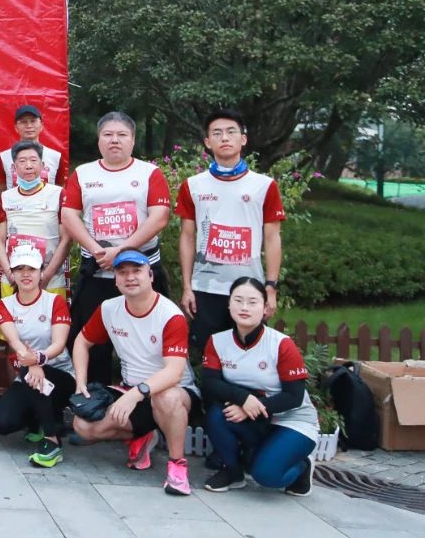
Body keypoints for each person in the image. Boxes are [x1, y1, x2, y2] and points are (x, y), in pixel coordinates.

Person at [71, 250, 201, 496]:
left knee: (166, 398)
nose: (130, 277)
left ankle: (177, 465)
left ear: (151, 276)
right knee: (83, 425)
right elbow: (81, 342)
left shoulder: (170, 315)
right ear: (116, 280)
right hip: (130, 388)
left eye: (137, 271)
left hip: (174, 391)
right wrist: (81, 382)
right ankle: (142, 434)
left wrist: (137, 393)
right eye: (123, 272)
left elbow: (174, 373)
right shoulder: (109, 308)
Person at [62, 111, 172, 386]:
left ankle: (147, 398)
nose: (115, 140)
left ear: (133, 140)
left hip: (142, 271)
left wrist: (121, 251)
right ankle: (94, 397)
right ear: (99, 140)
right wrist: (97, 250)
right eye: (108, 135)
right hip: (97, 271)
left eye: (122, 135)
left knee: (149, 339)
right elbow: (69, 215)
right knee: (92, 341)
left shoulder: (149, 173)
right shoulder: (83, 174)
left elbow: (159, 217)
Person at [177, 109, 286, 363]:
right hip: (206, 287)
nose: (224, 138)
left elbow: (272, 239)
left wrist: (271, 288)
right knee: (208, 356)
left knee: (250, 356)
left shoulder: (264, 185)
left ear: (243, 139)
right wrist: (187, 287)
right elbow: (187, 237)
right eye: (217, 133)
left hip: (250, 288)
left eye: (231, 132)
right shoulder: (193, 185)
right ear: (207, 142)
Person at [201, 277, 317, 497]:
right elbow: (210, 383)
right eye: (238, 300)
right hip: (256, 416)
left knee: (266, 476)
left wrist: (252, 407)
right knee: (217, 415)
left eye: (252, 302)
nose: (244, 307)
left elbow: (294, 396)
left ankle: (302, 468)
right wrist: (243, 399)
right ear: (229, 305)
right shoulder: (217, 341)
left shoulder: (282, 344)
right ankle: (233, 472)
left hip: (292, 419)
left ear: (265, 308)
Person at [0, 243, 75, 468]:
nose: (25, 274)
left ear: (41, 272)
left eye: (32, 269)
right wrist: (32, 362)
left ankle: (52, 441)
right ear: (12, 274)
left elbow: (59, 344)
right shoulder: (5, 304)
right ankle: (38, 420)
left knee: (33, 373)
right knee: (1, 423)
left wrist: (38, 360)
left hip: (60, 373)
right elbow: (14, 341)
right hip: (27, 372)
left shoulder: (55, 301)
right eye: (19, 269)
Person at [0, 140, 71, 298]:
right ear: (14, 167)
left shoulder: (58, 194)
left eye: (33, 160)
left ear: (43, 165)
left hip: (50, 281)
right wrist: (10, 274)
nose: (28, 166)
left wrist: (47, 276)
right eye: (22, 161)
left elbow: (66, 239)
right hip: (13, 281)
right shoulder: (5, 197)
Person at [0, 105, 68, 188]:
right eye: (23, 122)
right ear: (16, 127)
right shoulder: (4, 157)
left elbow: (60, 186)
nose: (29, 126)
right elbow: (0, 185)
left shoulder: (55, 157)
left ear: (41, 125)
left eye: (33, 121)